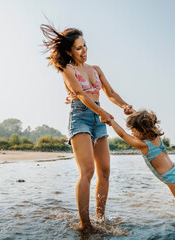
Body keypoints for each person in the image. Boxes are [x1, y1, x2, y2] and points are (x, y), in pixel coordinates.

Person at [40, 24, 134, 231]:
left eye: (85, 46)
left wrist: (124, 105)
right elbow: (81, 95)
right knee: (88, 171)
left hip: (98, 117)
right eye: (79, 48)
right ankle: (85, 224)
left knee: (105, 171)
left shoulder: (96, 70)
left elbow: (110, 93)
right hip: (80, 117)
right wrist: (102, 113)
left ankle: (100, 218)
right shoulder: (68, 69)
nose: (84, 51)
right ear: (68, 51)